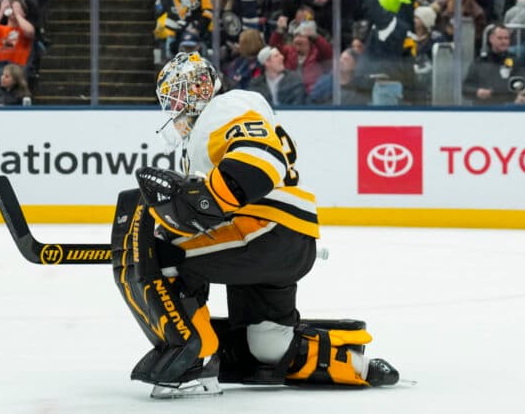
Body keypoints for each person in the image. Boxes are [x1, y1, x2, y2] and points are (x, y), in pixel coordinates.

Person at [112, 52, 398, 398]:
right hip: (282, 239)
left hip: (264, 230)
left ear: (200, 89)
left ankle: (193, 353)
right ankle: (354, 364)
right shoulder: (215, 124)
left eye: (178, 96)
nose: (175, 107)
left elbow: (260, 160)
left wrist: (200, 202)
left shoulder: (225, 108)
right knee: (267, 347)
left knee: (161, 253)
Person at [463, 23, 525, 105]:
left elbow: (524, 86)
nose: (504, 41)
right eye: (500, 38)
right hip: (484, 109)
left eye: (506, 38)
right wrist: (477, 92)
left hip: (508, 109)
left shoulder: (516, 62)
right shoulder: (480, 62)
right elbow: (466, 88)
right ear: (491, 39)